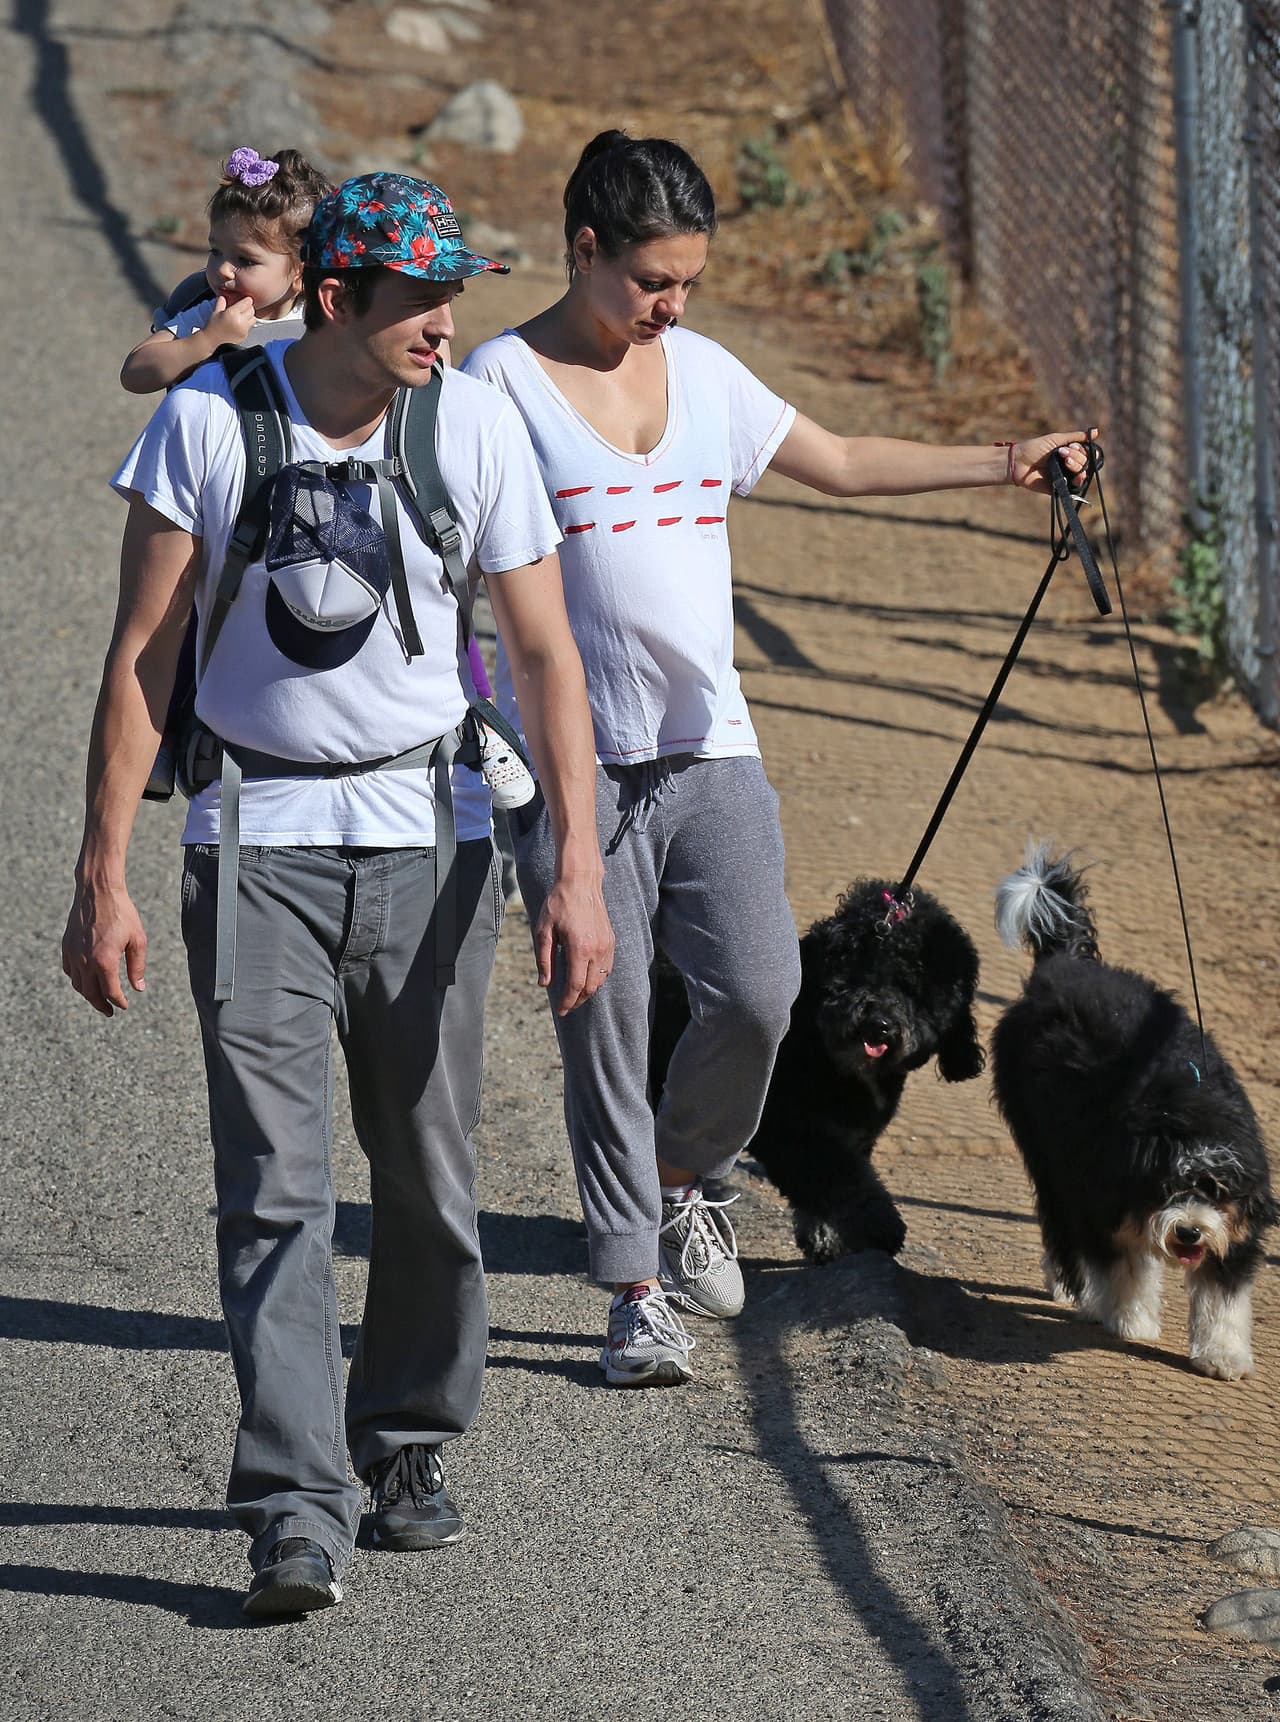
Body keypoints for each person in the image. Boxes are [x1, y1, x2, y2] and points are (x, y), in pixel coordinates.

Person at [460, 129, 1095, 1389]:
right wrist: (479, 735)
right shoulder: (496, 387)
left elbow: (844, 464)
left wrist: (1004, 461)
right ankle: (632, 1288)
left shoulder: (698, 370)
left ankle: (682, 1177)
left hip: (714, 756)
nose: (671, 306)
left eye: (688, 282)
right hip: (578, 772)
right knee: (609, 1019)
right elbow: (447, 574)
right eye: (651, 281)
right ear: (583, 249)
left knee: (756, 997)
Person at [64, 172, 612, 1615]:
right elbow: (142, 659)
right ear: (334, 302)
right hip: (252, 838)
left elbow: (547, 657)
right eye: (416, 299)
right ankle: (295, 1502)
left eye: (455, 295)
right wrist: (101, 872)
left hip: (435, 840)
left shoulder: (474, 423)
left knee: (429, 1174)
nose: (445, 322)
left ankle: (411, 1438)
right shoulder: (206, 421)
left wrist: (581, 870)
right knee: (274, 1186)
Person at [120, 145, 331, 395]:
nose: (223, 269)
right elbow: (134, 374)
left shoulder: (321, 325)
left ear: (301, 274)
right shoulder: (212, 315)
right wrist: (207, 341)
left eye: (245, 260)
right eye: (215, 252)